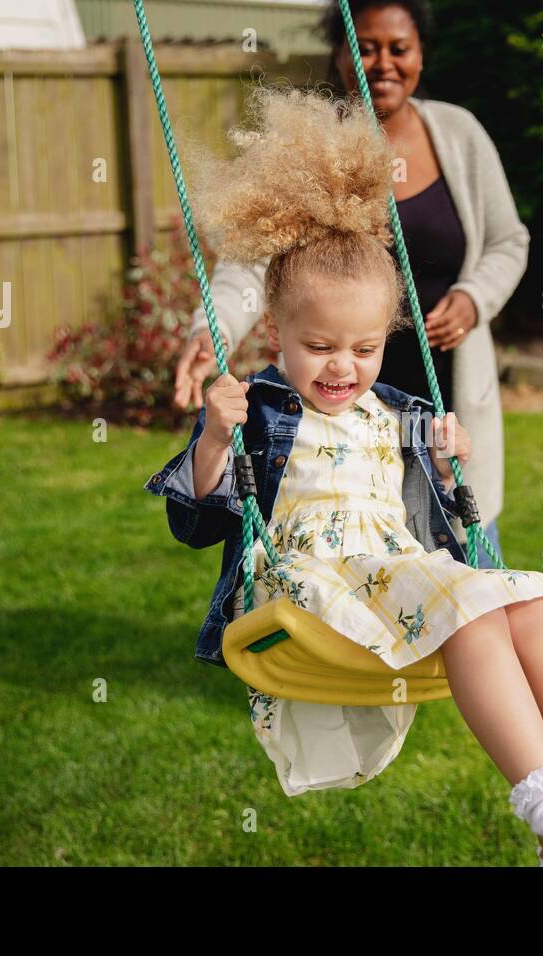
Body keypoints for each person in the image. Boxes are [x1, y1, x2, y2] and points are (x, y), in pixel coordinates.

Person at [144, 86, 543, 866]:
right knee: (473, 604)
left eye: (365, 348)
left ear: (386, 340)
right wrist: (210, 439)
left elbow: (435, 521)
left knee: (528, 603)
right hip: (310, 590)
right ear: (276, 334)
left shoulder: (396, 411)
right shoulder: (260, 406)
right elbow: (197, 520)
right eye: (322, 346)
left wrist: (445, 463)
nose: (344, 367)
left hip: (393, 576)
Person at [171, 0, 522, 569]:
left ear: (420, 54)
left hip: (441, 393)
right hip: (334, 402)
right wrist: (216, 331)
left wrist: (473, 299)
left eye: (398, 48)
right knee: (367, 558)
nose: (382, 62)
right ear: (339, 54)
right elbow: (251, 259)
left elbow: (509, 241)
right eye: (365, 45)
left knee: (468, 556)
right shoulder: (316, 146)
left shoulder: (459, 134)